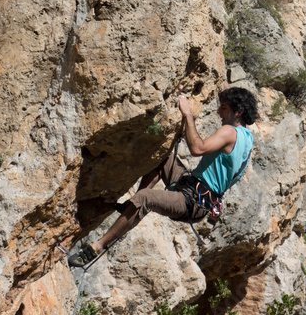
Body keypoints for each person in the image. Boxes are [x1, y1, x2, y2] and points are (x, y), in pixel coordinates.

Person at [66, 87, 258, 267]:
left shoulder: (230, 132)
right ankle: (132, 208)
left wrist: (187, 114)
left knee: (145, 198)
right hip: (197, 195)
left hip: (192, 201)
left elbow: (197, 149)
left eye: (224, 108)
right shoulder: (247, 138)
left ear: (238, 111)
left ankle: (97, 246)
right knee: (163, 157)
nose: (219, 112)